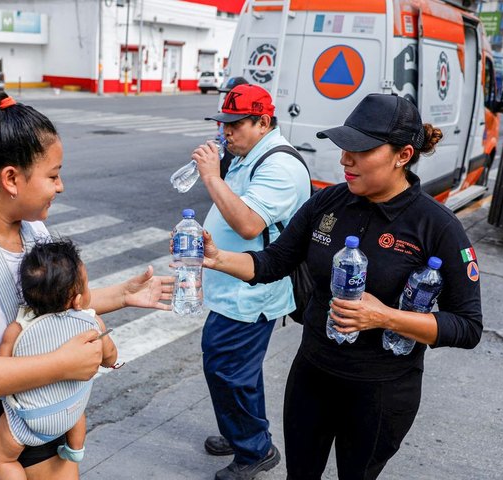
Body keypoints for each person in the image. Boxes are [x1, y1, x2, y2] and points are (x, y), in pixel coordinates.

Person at [198, 93, 483, 479]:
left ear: (403, 155)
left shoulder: (437, 227)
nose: (345, 159)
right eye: (343, 146)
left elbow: (467, 327)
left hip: (381, 391)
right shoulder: (330, 202)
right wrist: (218, 259)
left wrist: (385, 317)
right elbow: (273, 262)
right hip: (312, 374)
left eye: (360, 149)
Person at [0, 89, 173, 480]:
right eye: (53, 175)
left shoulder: (34, 231)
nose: (60, 187)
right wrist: (59, 364)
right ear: (11, 178)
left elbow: (53, 306)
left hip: (41, 404)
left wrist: (123, 296)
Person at [193, 83, 311, 480]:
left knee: (228, 369)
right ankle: (241, 432)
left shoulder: (280, 166)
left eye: (235, 125)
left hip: (251, 290)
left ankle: (254, 450)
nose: (226, 133)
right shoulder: (248, 152)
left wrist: (211, 177)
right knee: (234, 370)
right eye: (223, 124)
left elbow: (247, 224)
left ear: (262, 122)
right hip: (232, 285)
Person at [0, 238, 119, 479]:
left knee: (2, 455)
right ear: (77, 299)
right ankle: (75, 449)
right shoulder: (92, 323)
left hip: (31, 421)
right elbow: (109, 358)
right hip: (70, 412)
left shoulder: (18, 328)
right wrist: (109, 357)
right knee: (77, 403)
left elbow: (0, 368)